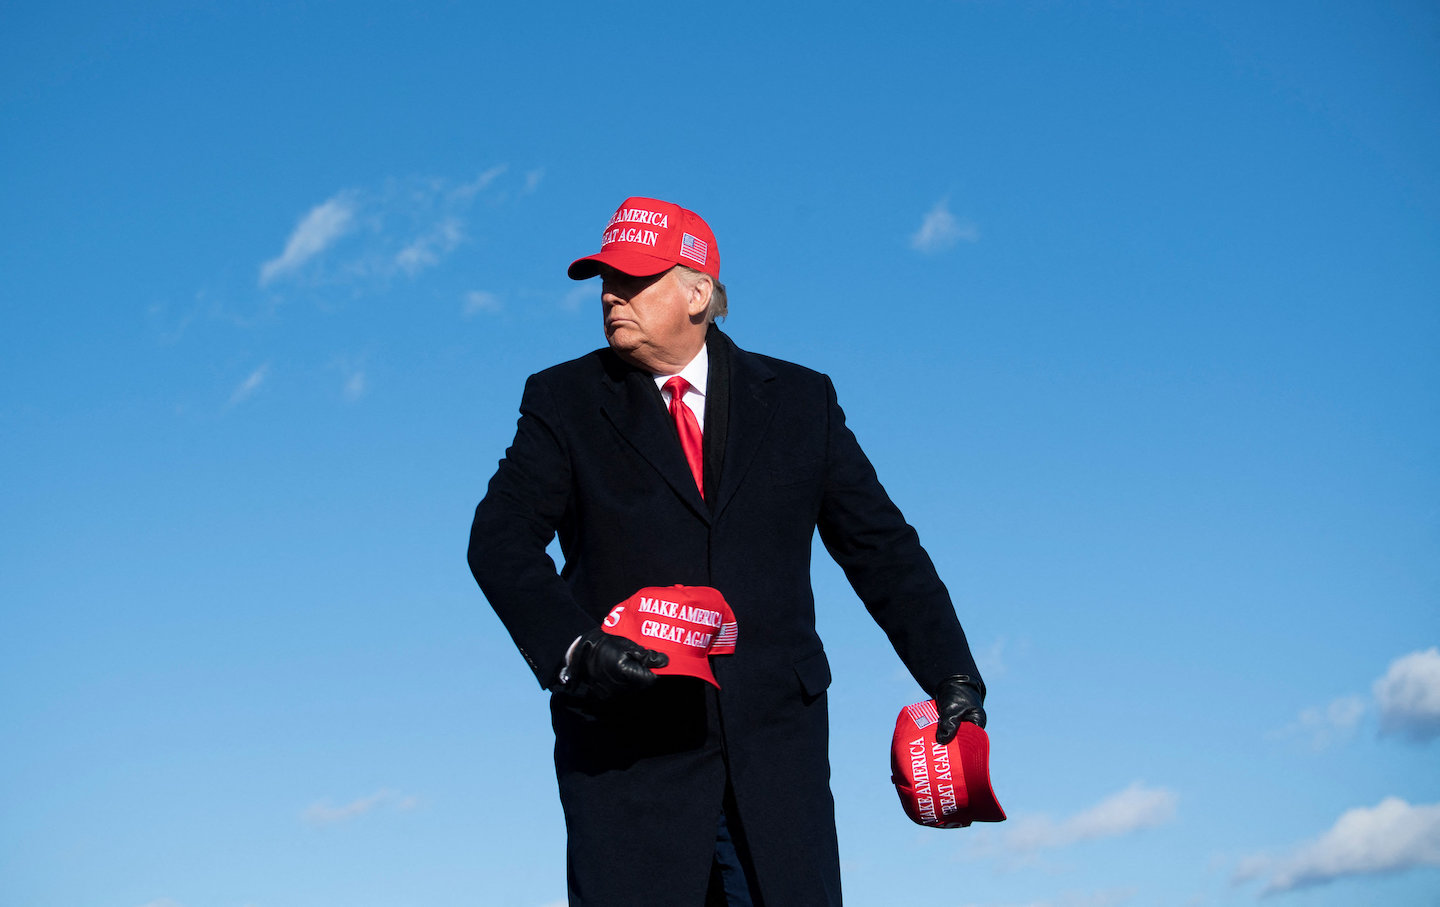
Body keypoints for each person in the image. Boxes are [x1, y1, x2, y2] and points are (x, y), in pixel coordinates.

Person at [468, 196, 987, 907]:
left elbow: (881, 548)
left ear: (698, 294)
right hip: (628, 761)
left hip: (776, 761)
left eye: (635, 277)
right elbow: (498, 541)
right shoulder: (561, 400)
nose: (611, 294)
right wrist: (577, 650)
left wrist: (953, 672)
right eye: (604, 280)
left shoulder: (802, 401)